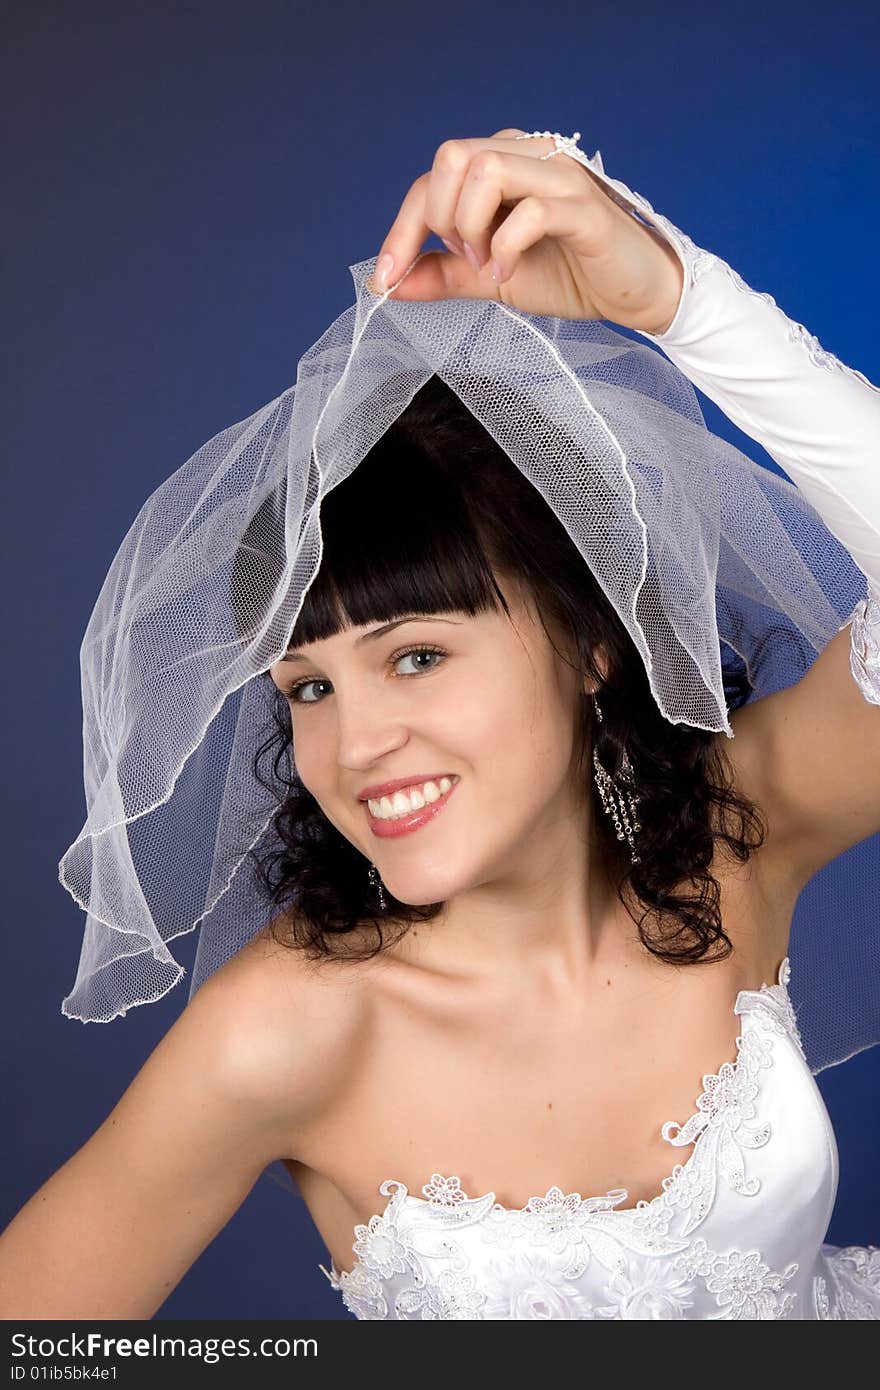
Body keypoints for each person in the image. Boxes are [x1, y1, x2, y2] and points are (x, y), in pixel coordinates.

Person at [1, 129, 879, 1320]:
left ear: (591, 642)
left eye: (415, 654)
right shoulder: (282, 1032)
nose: (353, 746)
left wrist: (675, 300)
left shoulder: (744, 834)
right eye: (306, 687)